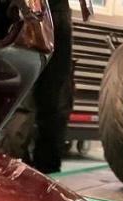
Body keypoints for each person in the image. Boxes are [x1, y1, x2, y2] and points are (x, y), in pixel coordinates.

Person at [30, 0, 75, 173]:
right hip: (54, 13)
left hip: (21, 12)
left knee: (20, 103)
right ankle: (46, 171)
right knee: (55, 97)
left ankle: (13, 170)